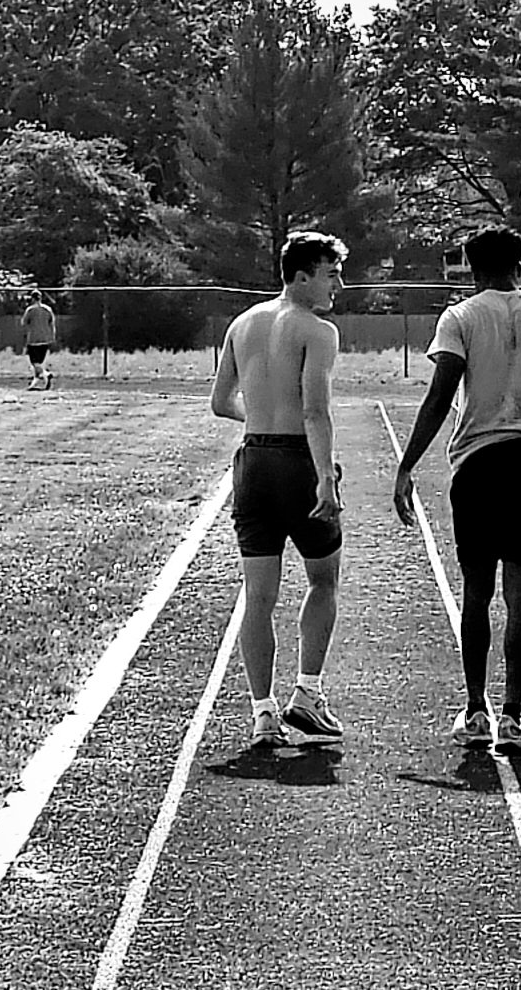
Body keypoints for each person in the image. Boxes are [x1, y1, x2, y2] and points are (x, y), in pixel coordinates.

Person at [393, 224, 521, 755]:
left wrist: (406, 465)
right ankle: (512, 714)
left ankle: (474, 710)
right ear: (520, 265)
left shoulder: (460, 317)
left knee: (477, 591)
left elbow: (440, 396)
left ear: (470, 266)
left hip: (479, 463)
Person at [211, 231, 348, 748]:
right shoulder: (318, 330)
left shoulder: (242, 323)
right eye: (331, 274)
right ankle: (308, 692)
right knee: (323, 580)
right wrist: (325, 477)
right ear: (302, 276)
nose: (338, 285)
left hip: (252, 463)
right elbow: (315, 411)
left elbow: (221, 402)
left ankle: (263, 712)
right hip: (295, 463)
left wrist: (261, 422)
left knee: (259, 597)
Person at [21, 290, 56, 390]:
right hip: (45, 340)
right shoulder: (48, 309)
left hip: (33, 340)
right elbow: (52, 324)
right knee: (39, 363)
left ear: (32, 298)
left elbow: (24, 323)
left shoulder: (30, 310)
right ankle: (35, 384)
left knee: (35, 363)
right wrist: (52, 337)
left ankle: (46, 374)